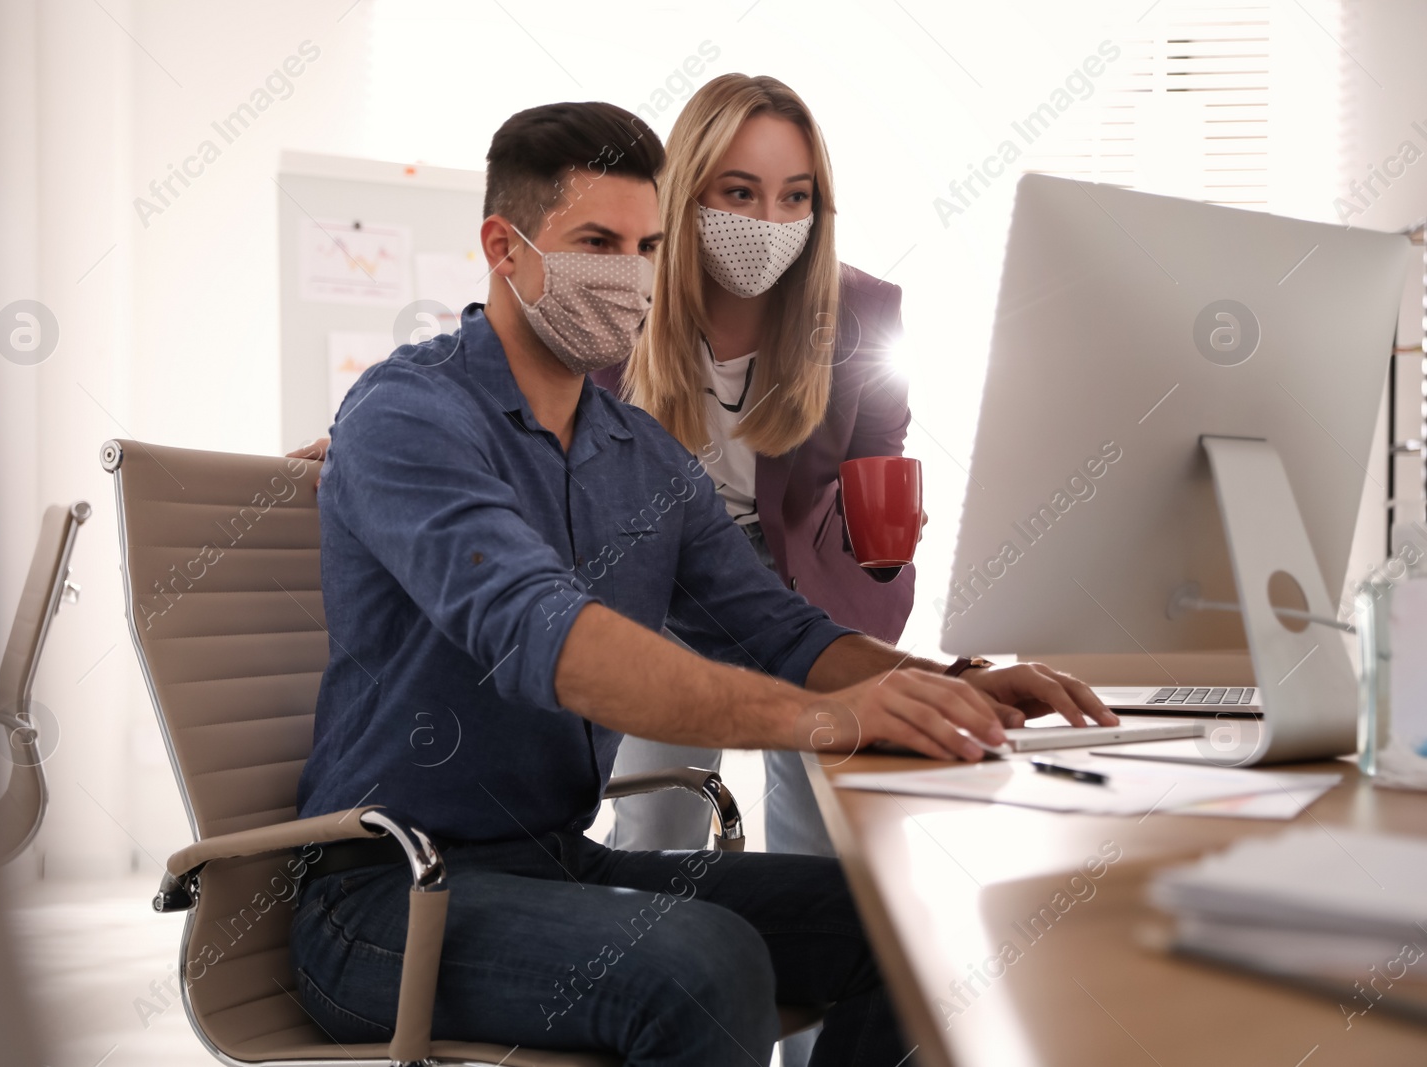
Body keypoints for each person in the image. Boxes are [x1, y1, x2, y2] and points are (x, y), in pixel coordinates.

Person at [289, 99, 1115, 1066]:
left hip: (553, 860)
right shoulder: (411, 412)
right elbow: (545, 636)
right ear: (503, 248)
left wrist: (938, 683)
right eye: (596, 240)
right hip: (384, 893)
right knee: (701, 959)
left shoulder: (639, 455)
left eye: (645, 247)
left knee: (901, 922)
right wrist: (827, 721)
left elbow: (783, 630)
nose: (628, 276)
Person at [599, 75, 932, 873]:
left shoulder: (862, 311)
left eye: (795, 196)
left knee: (824, 834)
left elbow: (880, 469)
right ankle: (656, 982)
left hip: (800, 587)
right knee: (654, 827)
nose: (769, 222)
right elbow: (499, 384)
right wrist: (357, 431)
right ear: (687, 192)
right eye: (740, 192)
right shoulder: (620, 298)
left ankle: (812, 993)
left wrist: (879, 582)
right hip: (665, 577)